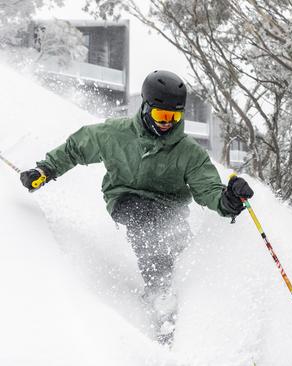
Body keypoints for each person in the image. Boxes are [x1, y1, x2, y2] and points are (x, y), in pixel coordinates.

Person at [19, 70, 254, 344]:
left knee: (181, 251)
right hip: (125, 199)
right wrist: (45, 170)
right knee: (146, 224)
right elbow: (75, 149)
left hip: (170, 210)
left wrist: (228, 200)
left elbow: (209, 189)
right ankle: (159, 296)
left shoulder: (189, 153)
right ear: (146, 107)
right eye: (161, 116)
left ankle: (188, 311)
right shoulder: (115, 134)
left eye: (174, 118)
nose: (167, 124)